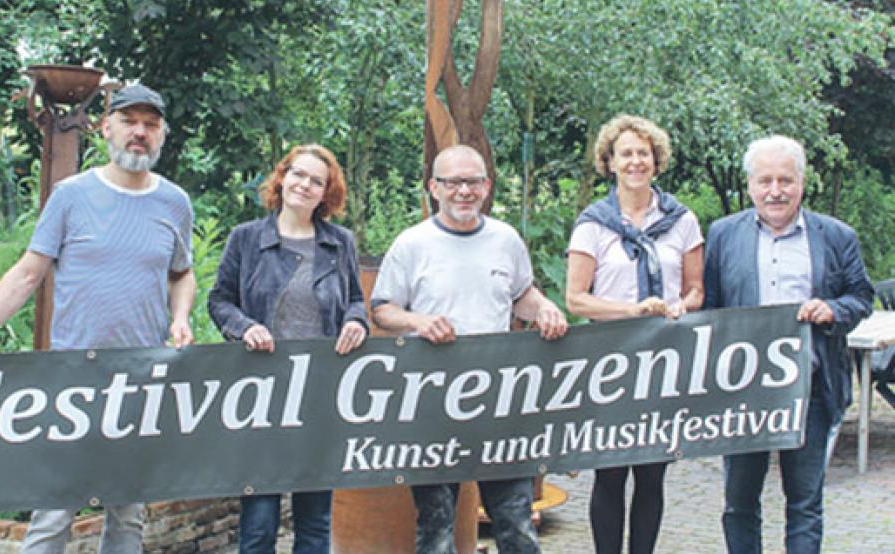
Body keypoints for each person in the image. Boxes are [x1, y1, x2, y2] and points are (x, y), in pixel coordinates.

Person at [0, 84, 196, 553]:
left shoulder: (175, 203)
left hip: (140, 382)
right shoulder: (71, 195)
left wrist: (181, 316)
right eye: (129, 121)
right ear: (106, 126)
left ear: (162, 135)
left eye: (150, 125)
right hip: (73, 378)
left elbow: (183, 273)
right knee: (53, 515)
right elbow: (28, 274)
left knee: (127, 517)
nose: (139, 133)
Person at [370, 144, 568, 554]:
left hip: (499, 404)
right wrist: (418, 321)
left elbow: (521, 295)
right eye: (453, 182)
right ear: (433, 188)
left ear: (487, 187)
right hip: (431, 406)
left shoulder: (506, 239)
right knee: (436, 526)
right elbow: (383, 311)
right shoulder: (411, 244)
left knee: (515, 523)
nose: (464, 190)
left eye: (473, 181)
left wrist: (545, 308)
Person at [704, 135, 873, 553]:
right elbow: (709, 308)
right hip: (742, 393)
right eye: (765, 181)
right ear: (750, 186)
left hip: (810, 390)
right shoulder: (724, 236)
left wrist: (833, 310)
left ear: (802, 182)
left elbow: (861, 297)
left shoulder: (836, 236)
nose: (775, 191)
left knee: (804, 502)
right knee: (739, 503)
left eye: (785, 180)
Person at [207, 143, 368, 554]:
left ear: (326, 193)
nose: (305, 185)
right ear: (282, 177)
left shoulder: (339, 243)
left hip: (320, 394)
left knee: (315, 520)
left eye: (317, 181)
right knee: (259, 520)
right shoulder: (246, 238)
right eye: (298, 174)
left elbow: (354, 299)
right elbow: (219, 301)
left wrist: (356, 321)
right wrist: (244, 328)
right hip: (261, 394)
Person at [565, 114, 704, 554]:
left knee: (652, 471)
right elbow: (576, 299)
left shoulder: (681, 221)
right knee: (609, 471)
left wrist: (683, 304)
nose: (635, 161)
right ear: (610, 162)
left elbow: (697, 288)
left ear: (656, 161)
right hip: (610, 360)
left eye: (644, 153)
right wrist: (631, 310)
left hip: (664, 360)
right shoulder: (594, 224)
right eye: (626, 153)